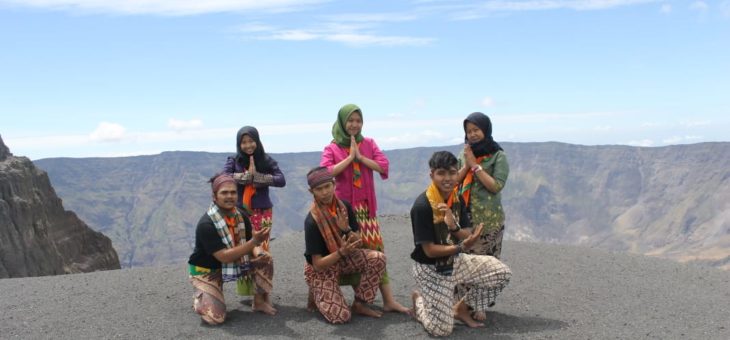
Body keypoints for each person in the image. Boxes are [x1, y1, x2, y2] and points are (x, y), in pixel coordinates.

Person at [320, 103, 410, 314]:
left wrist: (361, 158)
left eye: (358, 120)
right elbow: (326, 173)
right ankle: (334, 298)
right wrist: (350, 158)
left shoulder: (368, 143)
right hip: (343, 211)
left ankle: (387, 300)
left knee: (377, 252)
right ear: (342, 122)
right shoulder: (331, 148)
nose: (354, 124)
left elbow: (383, 166)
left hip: (366, 210)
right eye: (350, 120)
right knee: (348, 254)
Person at [410, 151, 511, 337]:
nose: (447, 178)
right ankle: (420, 303)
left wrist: (452, 226)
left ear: (458, 173)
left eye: (452, 172)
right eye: (441, 173)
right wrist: (461, 247)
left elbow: (466, 233)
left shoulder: (456, 199)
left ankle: (461, 309)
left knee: (501, 273)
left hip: (454, 260)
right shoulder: (422, 206)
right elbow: (430, 251)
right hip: (430, 268)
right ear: (432, 175)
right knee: (441, 330)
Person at [188, 173, 276, 326]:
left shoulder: (241, 215)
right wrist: (254, 242)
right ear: (214, 196)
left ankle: (259, 301)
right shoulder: (206, 224)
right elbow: (223, 257)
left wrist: (259, 251)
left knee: (265, 257)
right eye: (224, 193)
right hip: (207, 270)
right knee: (215, 319)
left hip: (236, 262)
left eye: (233, 192)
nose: (229, 196)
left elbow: (252, 243)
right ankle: (201, 298)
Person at [303, 166, 387, 324]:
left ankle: (360, 304)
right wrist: (341, 252)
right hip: (322, 269)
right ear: (311, 192)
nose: (325, 192)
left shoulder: (344, 207)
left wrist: (346, 229)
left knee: (378, 258)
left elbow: (359, 240)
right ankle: (316, 291)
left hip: (344, 257)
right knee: (341, 317)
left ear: (334, 184)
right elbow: (318, 264)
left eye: (327, 186)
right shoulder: (312, 221)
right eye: (319, 189)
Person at [223, 125, 286, 252]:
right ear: (239, 144)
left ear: (257, 141)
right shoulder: (234, 161)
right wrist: (245, 177)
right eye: (244, 142)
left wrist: (257, 177)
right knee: (243, 246)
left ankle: (264, 270)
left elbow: (281, 180)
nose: (248, 145)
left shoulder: (265, 160)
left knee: (262, 246)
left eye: (251, 141)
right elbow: (224, 177)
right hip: (240, 211)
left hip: (263, 211)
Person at [457, 112, 509, 259]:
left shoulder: (498, 155)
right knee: (465, 261)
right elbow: (454, 181)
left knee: (487, 264)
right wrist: (467, 164)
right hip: (464, 219)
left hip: (489, 221)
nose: (472, 134)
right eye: (469, 131)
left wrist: (475, 166)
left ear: (485, 130)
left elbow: (496, 186)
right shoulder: (464, 153)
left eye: (476, 130)